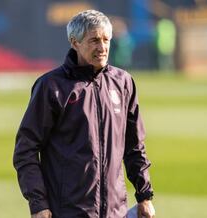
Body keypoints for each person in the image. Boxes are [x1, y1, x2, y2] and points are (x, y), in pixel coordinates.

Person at [13, 9, 155, 218]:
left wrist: (144, 196)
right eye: (94, 40)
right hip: (69, 211)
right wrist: (38, 203)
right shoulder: (51, 86)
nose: (102, 47)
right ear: (74, 42)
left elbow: (135, 146)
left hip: (115, 211)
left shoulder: (123, 82)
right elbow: (26, 149)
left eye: (106, 39)